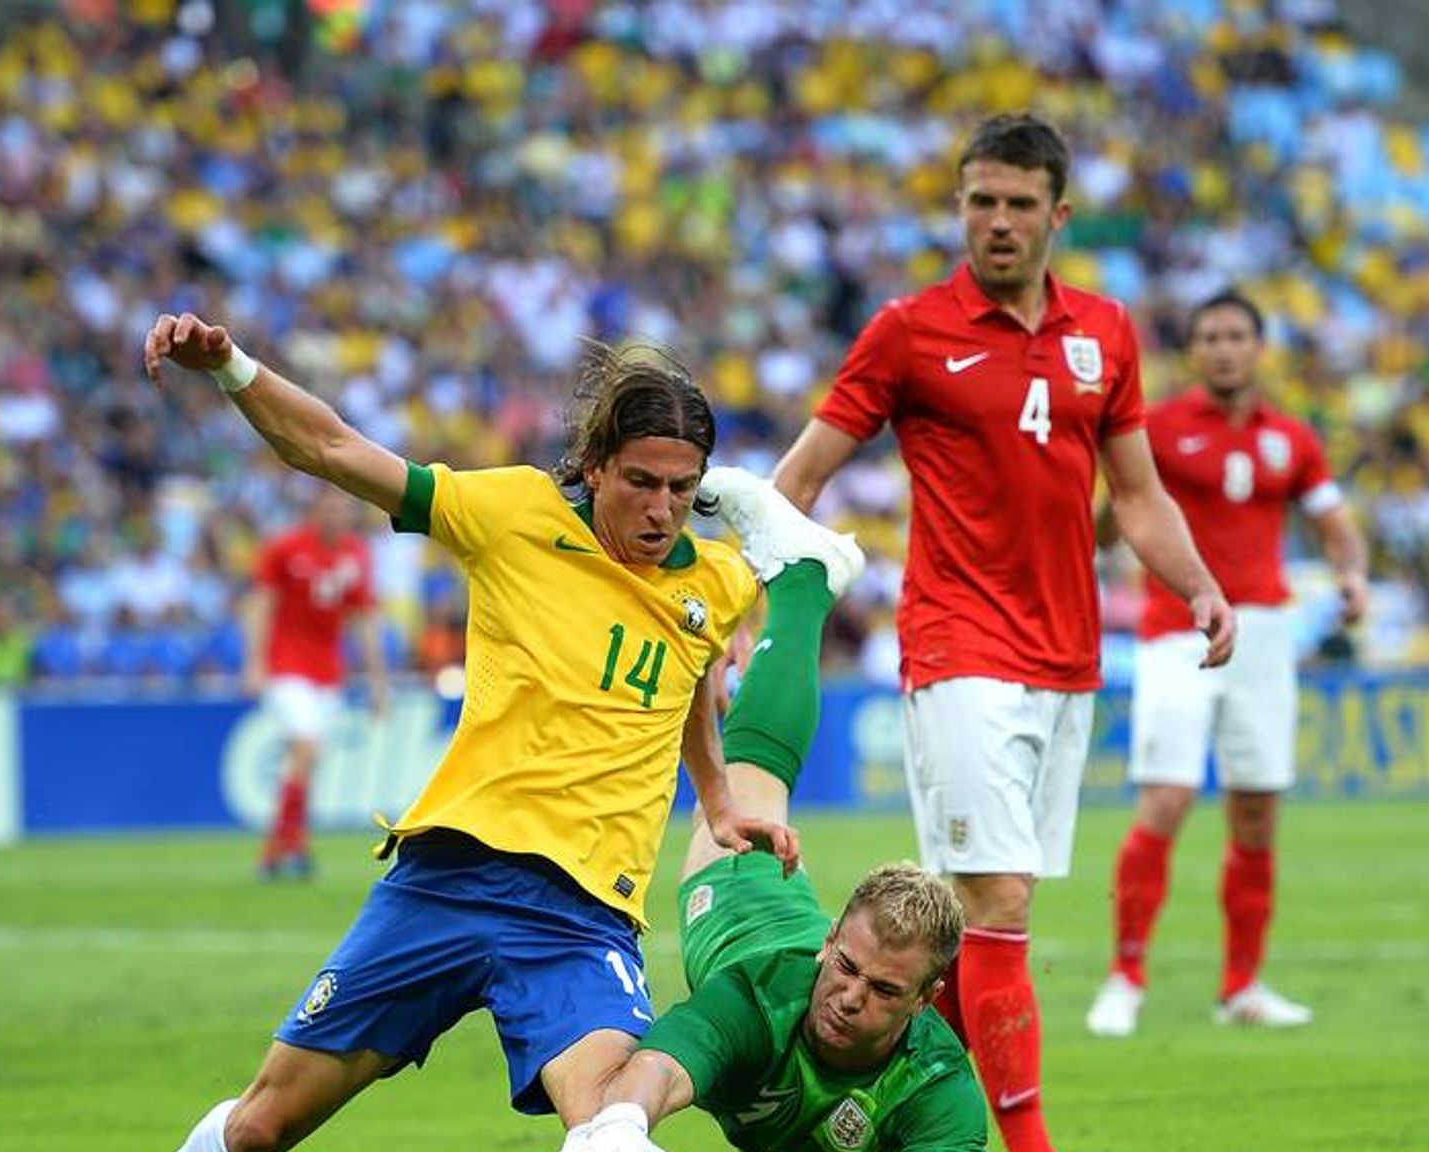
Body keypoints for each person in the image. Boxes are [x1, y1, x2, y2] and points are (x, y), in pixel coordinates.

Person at [145, 313, 814, 1152]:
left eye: (683, 489)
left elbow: (684, 688)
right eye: (642, 481)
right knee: (257, 1130)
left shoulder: (716, 584)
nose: (662, 509)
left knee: (613, 1121)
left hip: (582, 916)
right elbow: (334, 449)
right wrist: (232, 366)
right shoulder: (512, 516)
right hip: (446, 878)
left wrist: (716, 799)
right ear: (596, 465)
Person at [770, 113, 1236, 1152]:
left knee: (958, 937)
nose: (996, 220)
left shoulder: (1103, 335)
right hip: (954, 649)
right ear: (959, 206)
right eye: (978, 200)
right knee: (999, 900)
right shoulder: (907, 331)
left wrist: (1198, 584)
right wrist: (735, 614)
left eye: (1018, 203)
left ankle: (865, 1120)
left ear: (1056, 215)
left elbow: (1139, 496)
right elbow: (797, 479)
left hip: (1066, 659)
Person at [563, 468, 985, 1152]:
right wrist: (622, 1125)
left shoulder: (939, 1090)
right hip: (742, 901)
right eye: (845, 967)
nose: (850, 997)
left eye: (883, 989)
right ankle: (800, 582)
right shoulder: (764, 998)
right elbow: (660, 1069)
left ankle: (789, 589)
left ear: (926, 999)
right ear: (829, 945)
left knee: (751, 770)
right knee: (749, 780)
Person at [1085, 290, 1369, 1037]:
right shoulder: (1160, 428)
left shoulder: (1292, 440)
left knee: (1256, 811)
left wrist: (1353, 574)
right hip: (1176, 629)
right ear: (1193, 349)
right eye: (1209, 335)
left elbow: (1337, 526)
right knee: (1167, 802)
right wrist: (1119, 494)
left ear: (1258, 347)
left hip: (1267, 635)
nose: (1223, 347)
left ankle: (1241, 986)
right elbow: (1109, 532)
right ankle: (1126, 976)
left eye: (1236, 335)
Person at [242, 484, 390, 880]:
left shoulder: (355, 555)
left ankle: (278, 849)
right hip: (287, 669)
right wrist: (254, 662)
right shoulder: (285, 549)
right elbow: (261, 604)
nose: (335, 517)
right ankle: (292, 843)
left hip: (328, 673)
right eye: (328, 510)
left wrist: (378, 682)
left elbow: (364, 619)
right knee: (306, 746)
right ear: (314, 512)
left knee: (306, 760)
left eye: (341, 510)